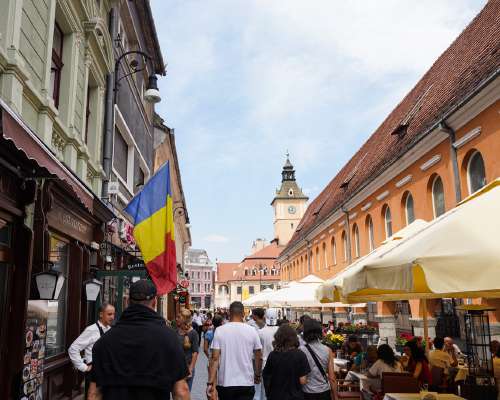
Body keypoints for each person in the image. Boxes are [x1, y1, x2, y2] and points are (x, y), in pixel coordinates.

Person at [89, 279, 190, 400]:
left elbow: (94, 394)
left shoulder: (105, 341)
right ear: (154, 302)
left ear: (127, 302)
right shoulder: (169, 339)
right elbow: (180, 392)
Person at [207, 301, 263, 400]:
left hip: (225, 382)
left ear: (229, 313)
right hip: (246, 382)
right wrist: (257, 375)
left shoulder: (220, 330)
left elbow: (214, 359)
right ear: (243, 314)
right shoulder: (252, 331)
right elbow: (259, 356)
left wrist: (210, 382)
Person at [68, 303, 115, 394]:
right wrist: (84, 367)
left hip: (107, 373)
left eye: (113, 314)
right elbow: (73, 348)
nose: (112, 317)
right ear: (101, 314)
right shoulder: (91, 330)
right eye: (109, 314)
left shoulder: (110, 330)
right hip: (94, 373)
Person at [263, 323, 311, 400]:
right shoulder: (300, 355)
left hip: (275, 395)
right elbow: (303, 381)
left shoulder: (273, 355)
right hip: (294, 396)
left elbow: (266, 375)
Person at [300, 319, 334, 400]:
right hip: (324, 391)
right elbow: (332, 378)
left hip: (307, 392)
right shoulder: (328, 350)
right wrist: (335, 396)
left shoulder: (301, 350)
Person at [256, 309, 280, 400]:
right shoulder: (280, 331)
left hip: (264, 365)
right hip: (279, 364)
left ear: (265, 318)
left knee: (264, 391)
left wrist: (257, 373)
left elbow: (258, 353)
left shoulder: (260, 332)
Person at [177, 308, 200, 390]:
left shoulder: (193, 333)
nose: (177, 319)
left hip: (187, 368)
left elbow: (195, 352)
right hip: (176, 367)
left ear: (184, 319)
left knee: (185, 393)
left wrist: (191, 369)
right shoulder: (176, 330)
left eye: (179, 317)